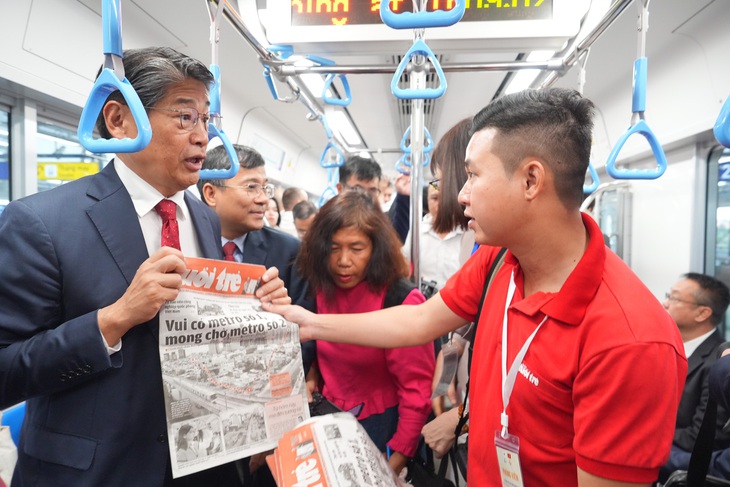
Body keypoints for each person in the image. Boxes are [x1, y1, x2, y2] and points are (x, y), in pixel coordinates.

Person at [264, 88, 687, 486]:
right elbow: (418, 322)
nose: (461, 195)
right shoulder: (499, 258)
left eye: (472, 175)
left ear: (530, 180)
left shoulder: (631, 341)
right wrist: (311, 324)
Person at [0, 47, 290, 487]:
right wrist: (112, 320)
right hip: (100, 472)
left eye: (207, 120)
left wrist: (256, 317)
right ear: (119, 119)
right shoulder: (40, 223)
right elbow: (6, 370)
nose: (203, 137)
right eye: (184, 117)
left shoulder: (207, 219)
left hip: (205, 467)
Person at [297, 190, 434, 475]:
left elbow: (416, 390)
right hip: (329, 416)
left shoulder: (400, 300)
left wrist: (398, 457)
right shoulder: (320, 289)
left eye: (356, 249)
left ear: (376, 249)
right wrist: (311, 375)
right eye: (333, 248)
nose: (343, 260)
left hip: (381, 425)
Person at [658, 273, 730, 481]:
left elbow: (699, 437)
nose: (665, 304)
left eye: (675, 298)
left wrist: (645, 431)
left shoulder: (719, 363)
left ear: (702, 313)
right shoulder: (666, 348)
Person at [337, 155, 410, 242]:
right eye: (357, 189)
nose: (365, 196)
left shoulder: (379, 224)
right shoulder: (327, 223)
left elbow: (397, 240)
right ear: (340, 189)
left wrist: (403, 196)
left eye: (372, 190)